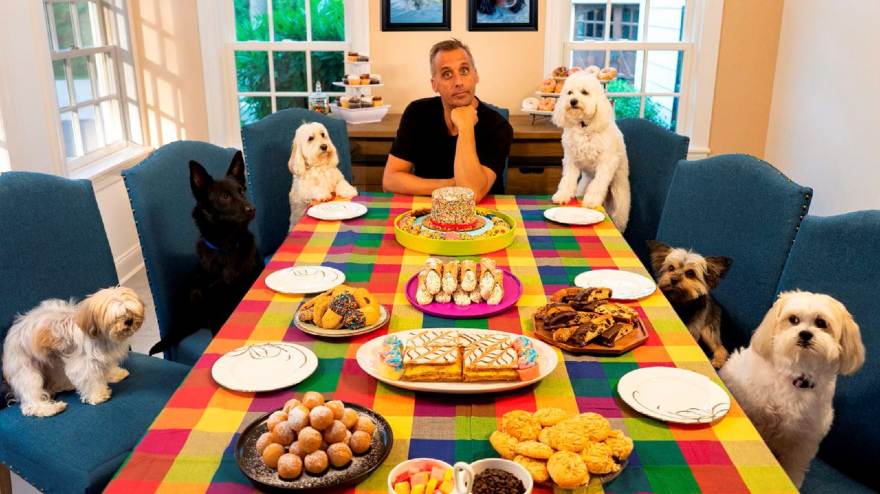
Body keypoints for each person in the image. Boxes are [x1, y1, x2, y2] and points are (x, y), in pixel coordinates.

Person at [382, 39, 513, 201]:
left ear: (476, 75)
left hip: (484, 217)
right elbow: (390, 180)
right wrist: (451, 185)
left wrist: (465, 126)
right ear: (434, 84)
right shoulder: (417, 113)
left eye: (464, 71)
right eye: (447, 74)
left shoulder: (498, 126)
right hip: (428, 211)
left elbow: (471, 194)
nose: (458, 82)